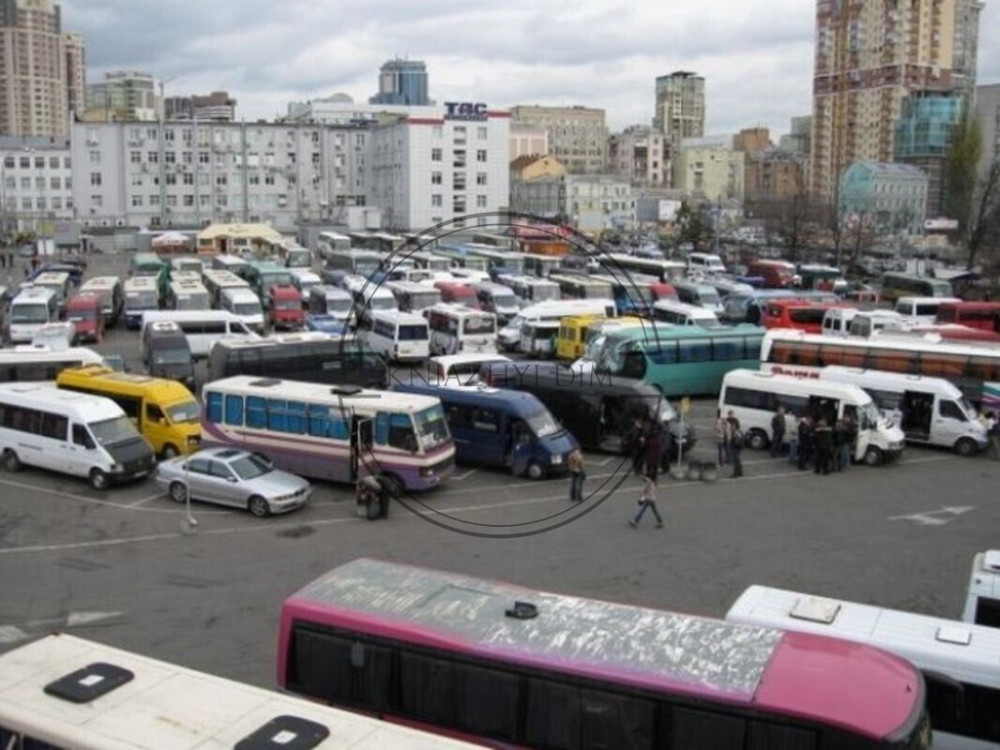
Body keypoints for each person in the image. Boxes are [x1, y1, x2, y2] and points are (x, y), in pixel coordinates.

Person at [727, 412, 744, 479]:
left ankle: (736, 473)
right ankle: (739, 472)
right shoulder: (737, 431)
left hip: (735, 447)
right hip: (736, 446)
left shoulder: (736, 432)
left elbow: (738, 440)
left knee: (735, 460)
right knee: (737, 460)